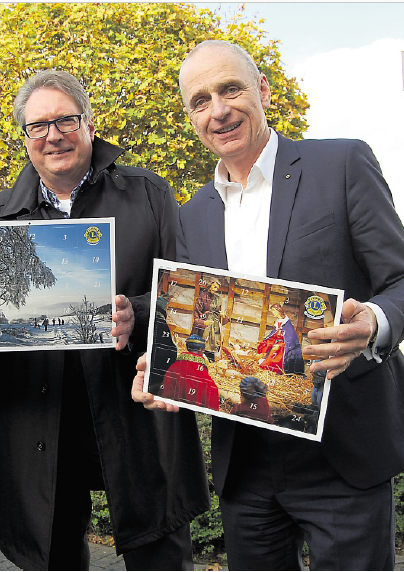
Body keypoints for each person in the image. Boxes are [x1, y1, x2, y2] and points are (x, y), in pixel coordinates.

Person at [132, 40, 404, 570]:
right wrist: (163, 370)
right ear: (191, 117)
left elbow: (400, 280)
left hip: (343, 453)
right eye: (200, 100)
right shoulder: (194, 215)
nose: (219, 110)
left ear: (263, 91)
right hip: (246, 462)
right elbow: (199, 332)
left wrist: (373, 321)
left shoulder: (343, 163)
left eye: (231, 89)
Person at [0, 70, 209, 571]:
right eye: (37, 126)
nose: (53, 135)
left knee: (160, 550)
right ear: (25, 138)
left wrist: (138, 314)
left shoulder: (149, 194)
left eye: (65, 120)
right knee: (53, 551)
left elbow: (191, 297)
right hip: (40, 420)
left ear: (87, 124)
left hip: (136, 413)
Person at [160, 334, 219, 410]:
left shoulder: (175, 365)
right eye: (203, 350)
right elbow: (212, 390)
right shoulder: (200, 370)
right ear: (200, 350)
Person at [257, 303, 304, 375]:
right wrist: (265, 341)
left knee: (275, 350)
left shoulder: (287, 324)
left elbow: (289, 338)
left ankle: (276, 369)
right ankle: (265, 361)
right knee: (265, 344)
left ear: (278, 311)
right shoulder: (278, 321)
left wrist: (280, 345)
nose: (273, 313)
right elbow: (273, 334)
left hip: (283, 344)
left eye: (273, 311)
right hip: (277, 341)